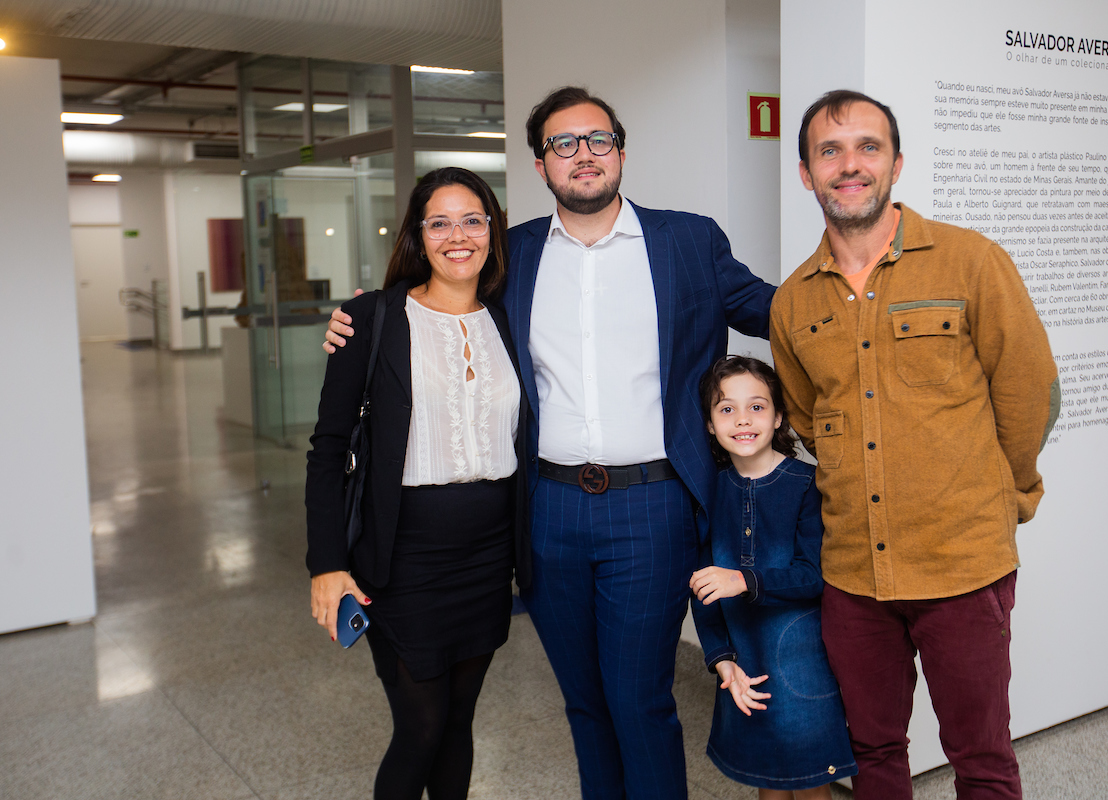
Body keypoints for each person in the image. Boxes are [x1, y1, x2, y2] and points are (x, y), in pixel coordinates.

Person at [325, 86, 776, 800]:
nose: (583, 155)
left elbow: (776, 312)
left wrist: (854, 298)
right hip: (545, 512)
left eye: (597, 139)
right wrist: (353, 319)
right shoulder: (518, 252)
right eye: (563, 144)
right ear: (541, 165)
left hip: (651, 506)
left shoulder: (689, 240)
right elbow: (441, 293)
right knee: (584, 704)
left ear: (621, 152)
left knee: (640, 702)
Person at [770, 90, 1060, 800]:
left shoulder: (970, 261)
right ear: (806, 173)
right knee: (873, 752)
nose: (850, 165)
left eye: (868, 147)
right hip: (853, 577)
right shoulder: (792, 302)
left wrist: (1006, 496)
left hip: (964, 565)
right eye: (829, 151)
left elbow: (1029, 391)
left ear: (896, 163)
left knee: (981, 757)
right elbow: (807, 418)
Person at [306, 167, 532, 800]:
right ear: (417, 234)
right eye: (440, 222)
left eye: (472, 219)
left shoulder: (511, 317)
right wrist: (326, 563)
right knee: (420, 726)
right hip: (403, 556)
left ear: (492, 230)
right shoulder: (370, 318)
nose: (457, 235)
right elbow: (327, 450)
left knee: (458, 722)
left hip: (489, 556)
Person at [689, 355, 856, 800]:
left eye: (757, 407)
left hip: (804, 668)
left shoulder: (807, 484)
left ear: (779, 415)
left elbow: (813, 576)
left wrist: (743, 580)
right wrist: (723, 661)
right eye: (726, 409)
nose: (742, 420)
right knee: (768, 780)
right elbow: (703, 587)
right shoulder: (708, 491)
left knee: (810, 781)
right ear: (708, 423)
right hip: (744, 667)